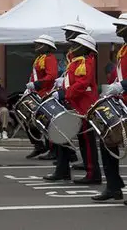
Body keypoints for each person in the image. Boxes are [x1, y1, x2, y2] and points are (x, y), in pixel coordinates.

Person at [44, 34, 102, 184]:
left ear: (83, 48)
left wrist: (64, 93)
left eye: (76, 44)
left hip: (83, 106)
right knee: (66, 136)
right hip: (74, 104)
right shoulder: (76, 61)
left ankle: (93, 174)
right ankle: (64, 170)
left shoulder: (84, 62)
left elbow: (82, 84)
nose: (72, 46)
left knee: (87, 142)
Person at [92, 13, 127, 202]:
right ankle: (113, 186)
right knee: (107, 142)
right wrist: (113, 87)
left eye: (120, 26)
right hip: (121, 101)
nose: (116, 30)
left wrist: (122, 85)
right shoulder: (123, 50)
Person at [24, 35, 58, 159]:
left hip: (46, 93)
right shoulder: (39, 58)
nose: (36, 46)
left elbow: (51, 76)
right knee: (29, 120)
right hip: (38, 93)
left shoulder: (49, 58)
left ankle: (52, 150)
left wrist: (36, 84)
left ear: (46, 46)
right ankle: (38, 145)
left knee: (47, 123)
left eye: (39, 44)